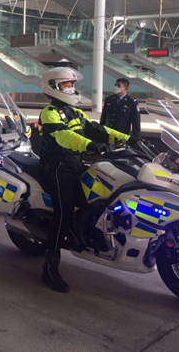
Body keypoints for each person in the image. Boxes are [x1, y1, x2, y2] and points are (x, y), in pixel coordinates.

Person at [38, 67, 135, 293]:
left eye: (71, 84)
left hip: (75, 164)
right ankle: (49, 267)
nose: (71, 88)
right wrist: (90, 145)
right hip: (57, 168)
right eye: (66, 84)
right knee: (63, 213)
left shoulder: (74, 111)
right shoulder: (49, 113)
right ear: (53, 87)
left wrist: (128, 139)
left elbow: (97, 129)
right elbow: (65, 136)